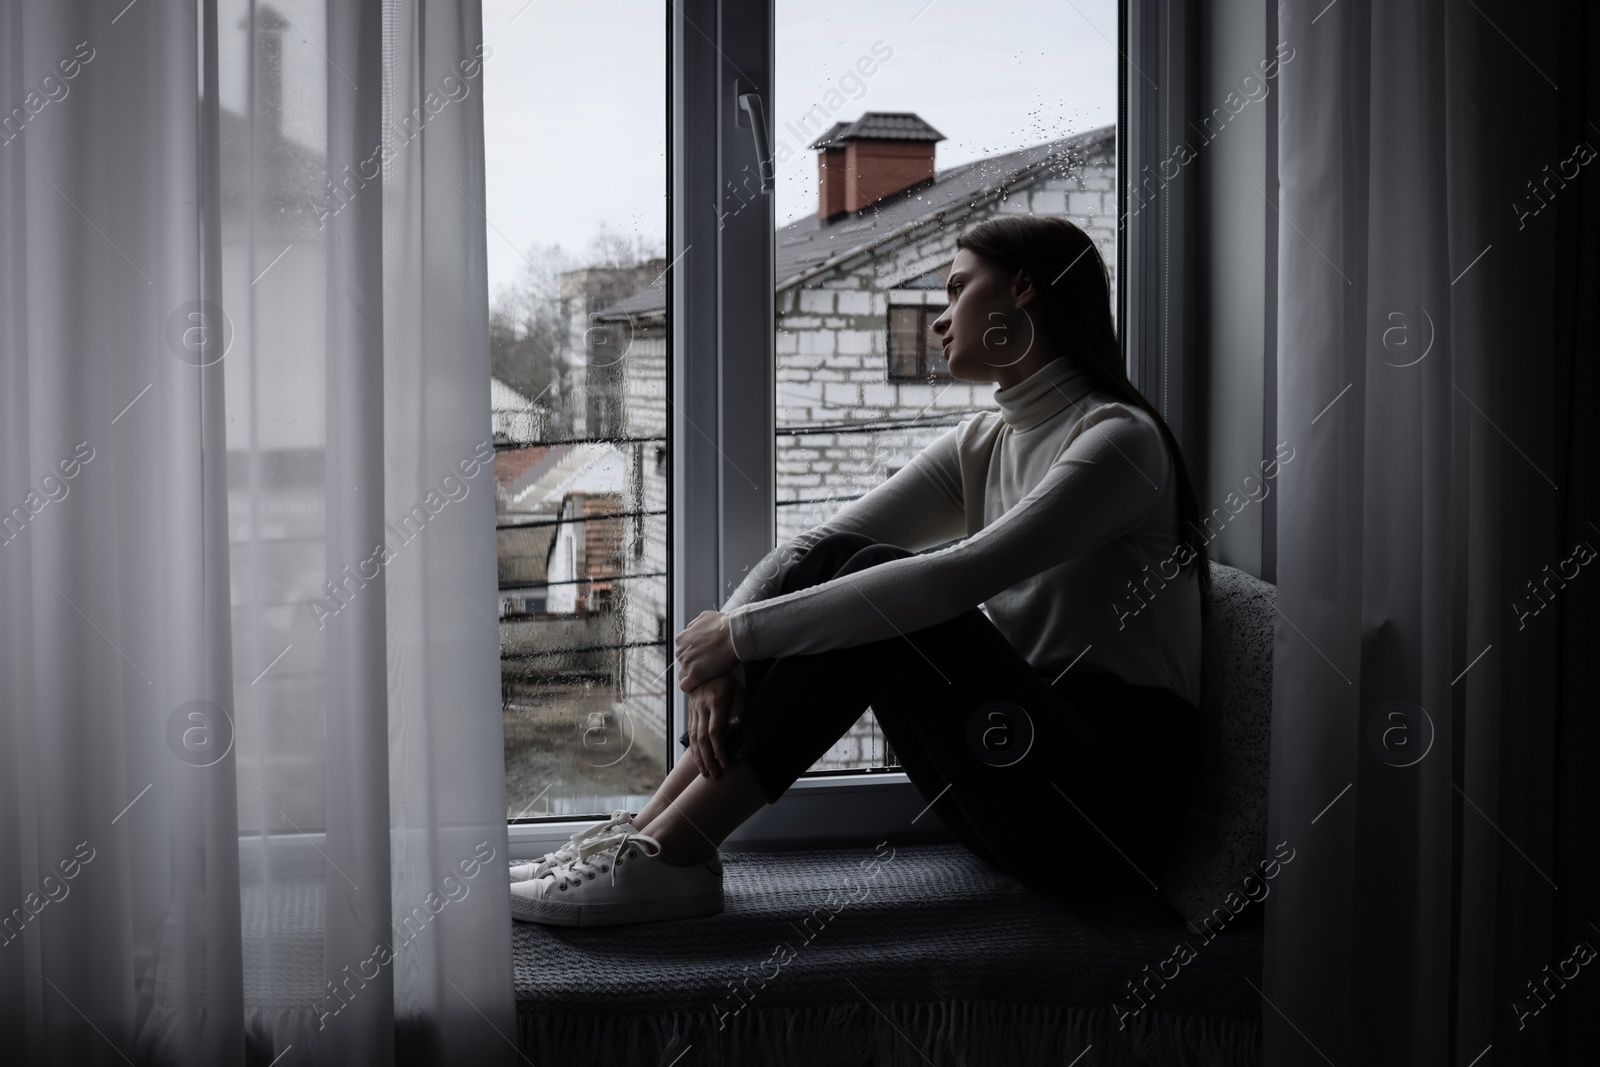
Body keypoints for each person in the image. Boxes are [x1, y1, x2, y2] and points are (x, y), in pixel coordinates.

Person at [509, 215, 1209, 927]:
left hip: (1107, 815)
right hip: (1015, 771)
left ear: (1024, 289)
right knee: (840, 562)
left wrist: (739, 637)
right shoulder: (986, 439)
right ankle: (645, 839)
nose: (940, 319)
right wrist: (720, 648)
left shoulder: (1120, 441)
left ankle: (669, 855)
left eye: (958, 288)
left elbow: (960, 577)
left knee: (883, 593)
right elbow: (816, 546)